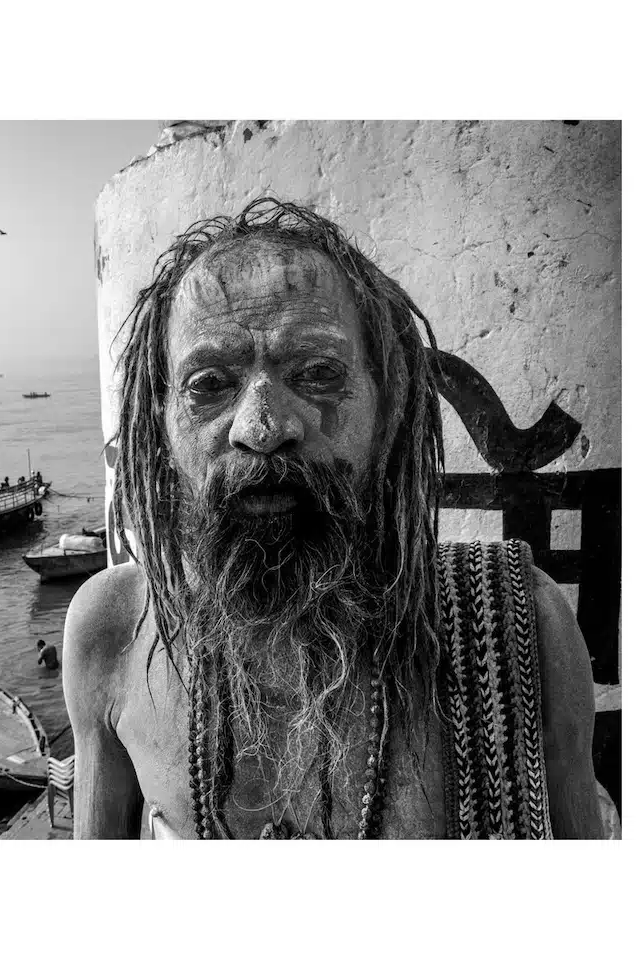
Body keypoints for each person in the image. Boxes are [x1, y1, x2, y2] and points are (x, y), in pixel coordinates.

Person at [62, 198, 602, 839]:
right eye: (209, 383)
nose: (261, 428)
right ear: (160, 422)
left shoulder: (522, 627)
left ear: (389, 404)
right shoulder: (113, 632)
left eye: (317, 373)